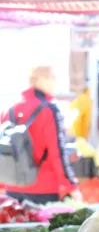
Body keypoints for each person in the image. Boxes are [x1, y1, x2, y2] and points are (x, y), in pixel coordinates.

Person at [0, 66, 77, 204]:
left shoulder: (9, 108)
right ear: (40, 80)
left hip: (12, 186)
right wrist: (70, 185)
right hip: (44, 189)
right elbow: (57, 152)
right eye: (53, 77)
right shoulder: (49, 109)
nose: (55, 82)